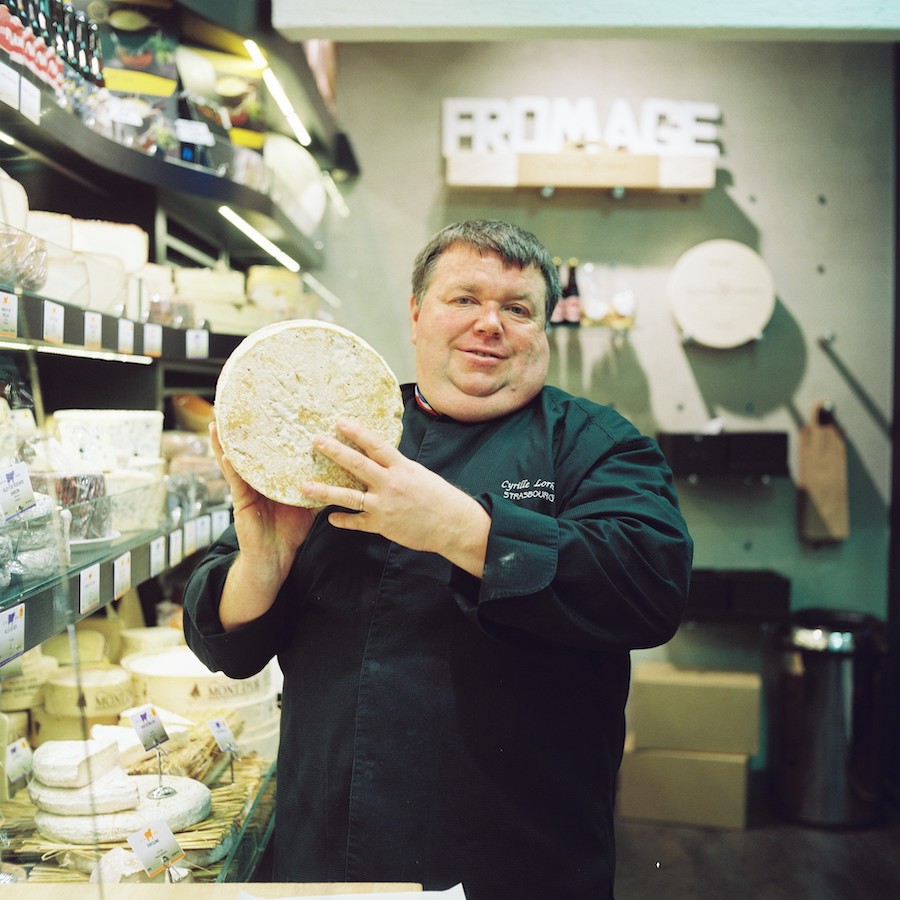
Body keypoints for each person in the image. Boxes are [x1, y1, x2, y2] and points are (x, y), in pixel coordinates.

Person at [182, 219, 693, 899]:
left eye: (517, 309)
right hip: (328, 855)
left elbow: (650, 586)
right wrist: (263, 568)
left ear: (544, 331)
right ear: (417, 314)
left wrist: (465, 533)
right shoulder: (338, 435)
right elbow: (224, 647)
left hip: (517, 865)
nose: (491, 323)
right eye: (464, 299)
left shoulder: (594, 444)